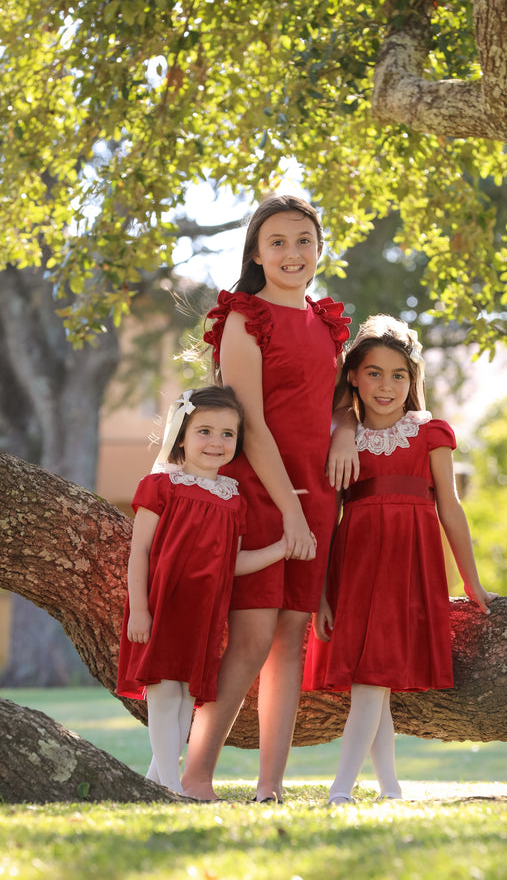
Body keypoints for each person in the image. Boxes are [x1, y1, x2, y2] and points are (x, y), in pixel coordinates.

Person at [179, 194, 353, 803]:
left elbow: (340, 406)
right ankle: (196, 775)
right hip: (261, 493)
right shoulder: (243, 319)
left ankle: (270, 787)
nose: (291, 252)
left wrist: (349, 431)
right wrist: (289, 512)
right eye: (277, 241)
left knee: (290, 640)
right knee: (251, 636)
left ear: (319, 248)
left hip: (318, 497)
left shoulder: (328, 323)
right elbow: (247, 423)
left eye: (303, 239)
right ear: (256, 251)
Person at [302, 314, 498, 805]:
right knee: (374, 684)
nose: (386, 386)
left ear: (413, 381)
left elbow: (450, 509)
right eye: (373, 373)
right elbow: (329, 521)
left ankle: (342, 790)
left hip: (409, 568)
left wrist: (471, 581)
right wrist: (321, 594)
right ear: (353, 376)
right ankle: (389, 789)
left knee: (373, 682)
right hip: (357, 570)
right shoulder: (340, 439)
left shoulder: (430, 432)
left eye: (398, 375)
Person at [116, 385, 287, 795]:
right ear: (182, 435)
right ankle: (172, 787)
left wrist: (281, 549)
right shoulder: (161, 486)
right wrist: (139, 610)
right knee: (163, 693)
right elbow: (139, 551)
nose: (216, 442)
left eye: (228, 434)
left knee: (184, 700)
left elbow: (233, 564)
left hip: (202, 614)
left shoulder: (234, 499)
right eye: (205, 431)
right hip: (162, 604)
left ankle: (155, 783)